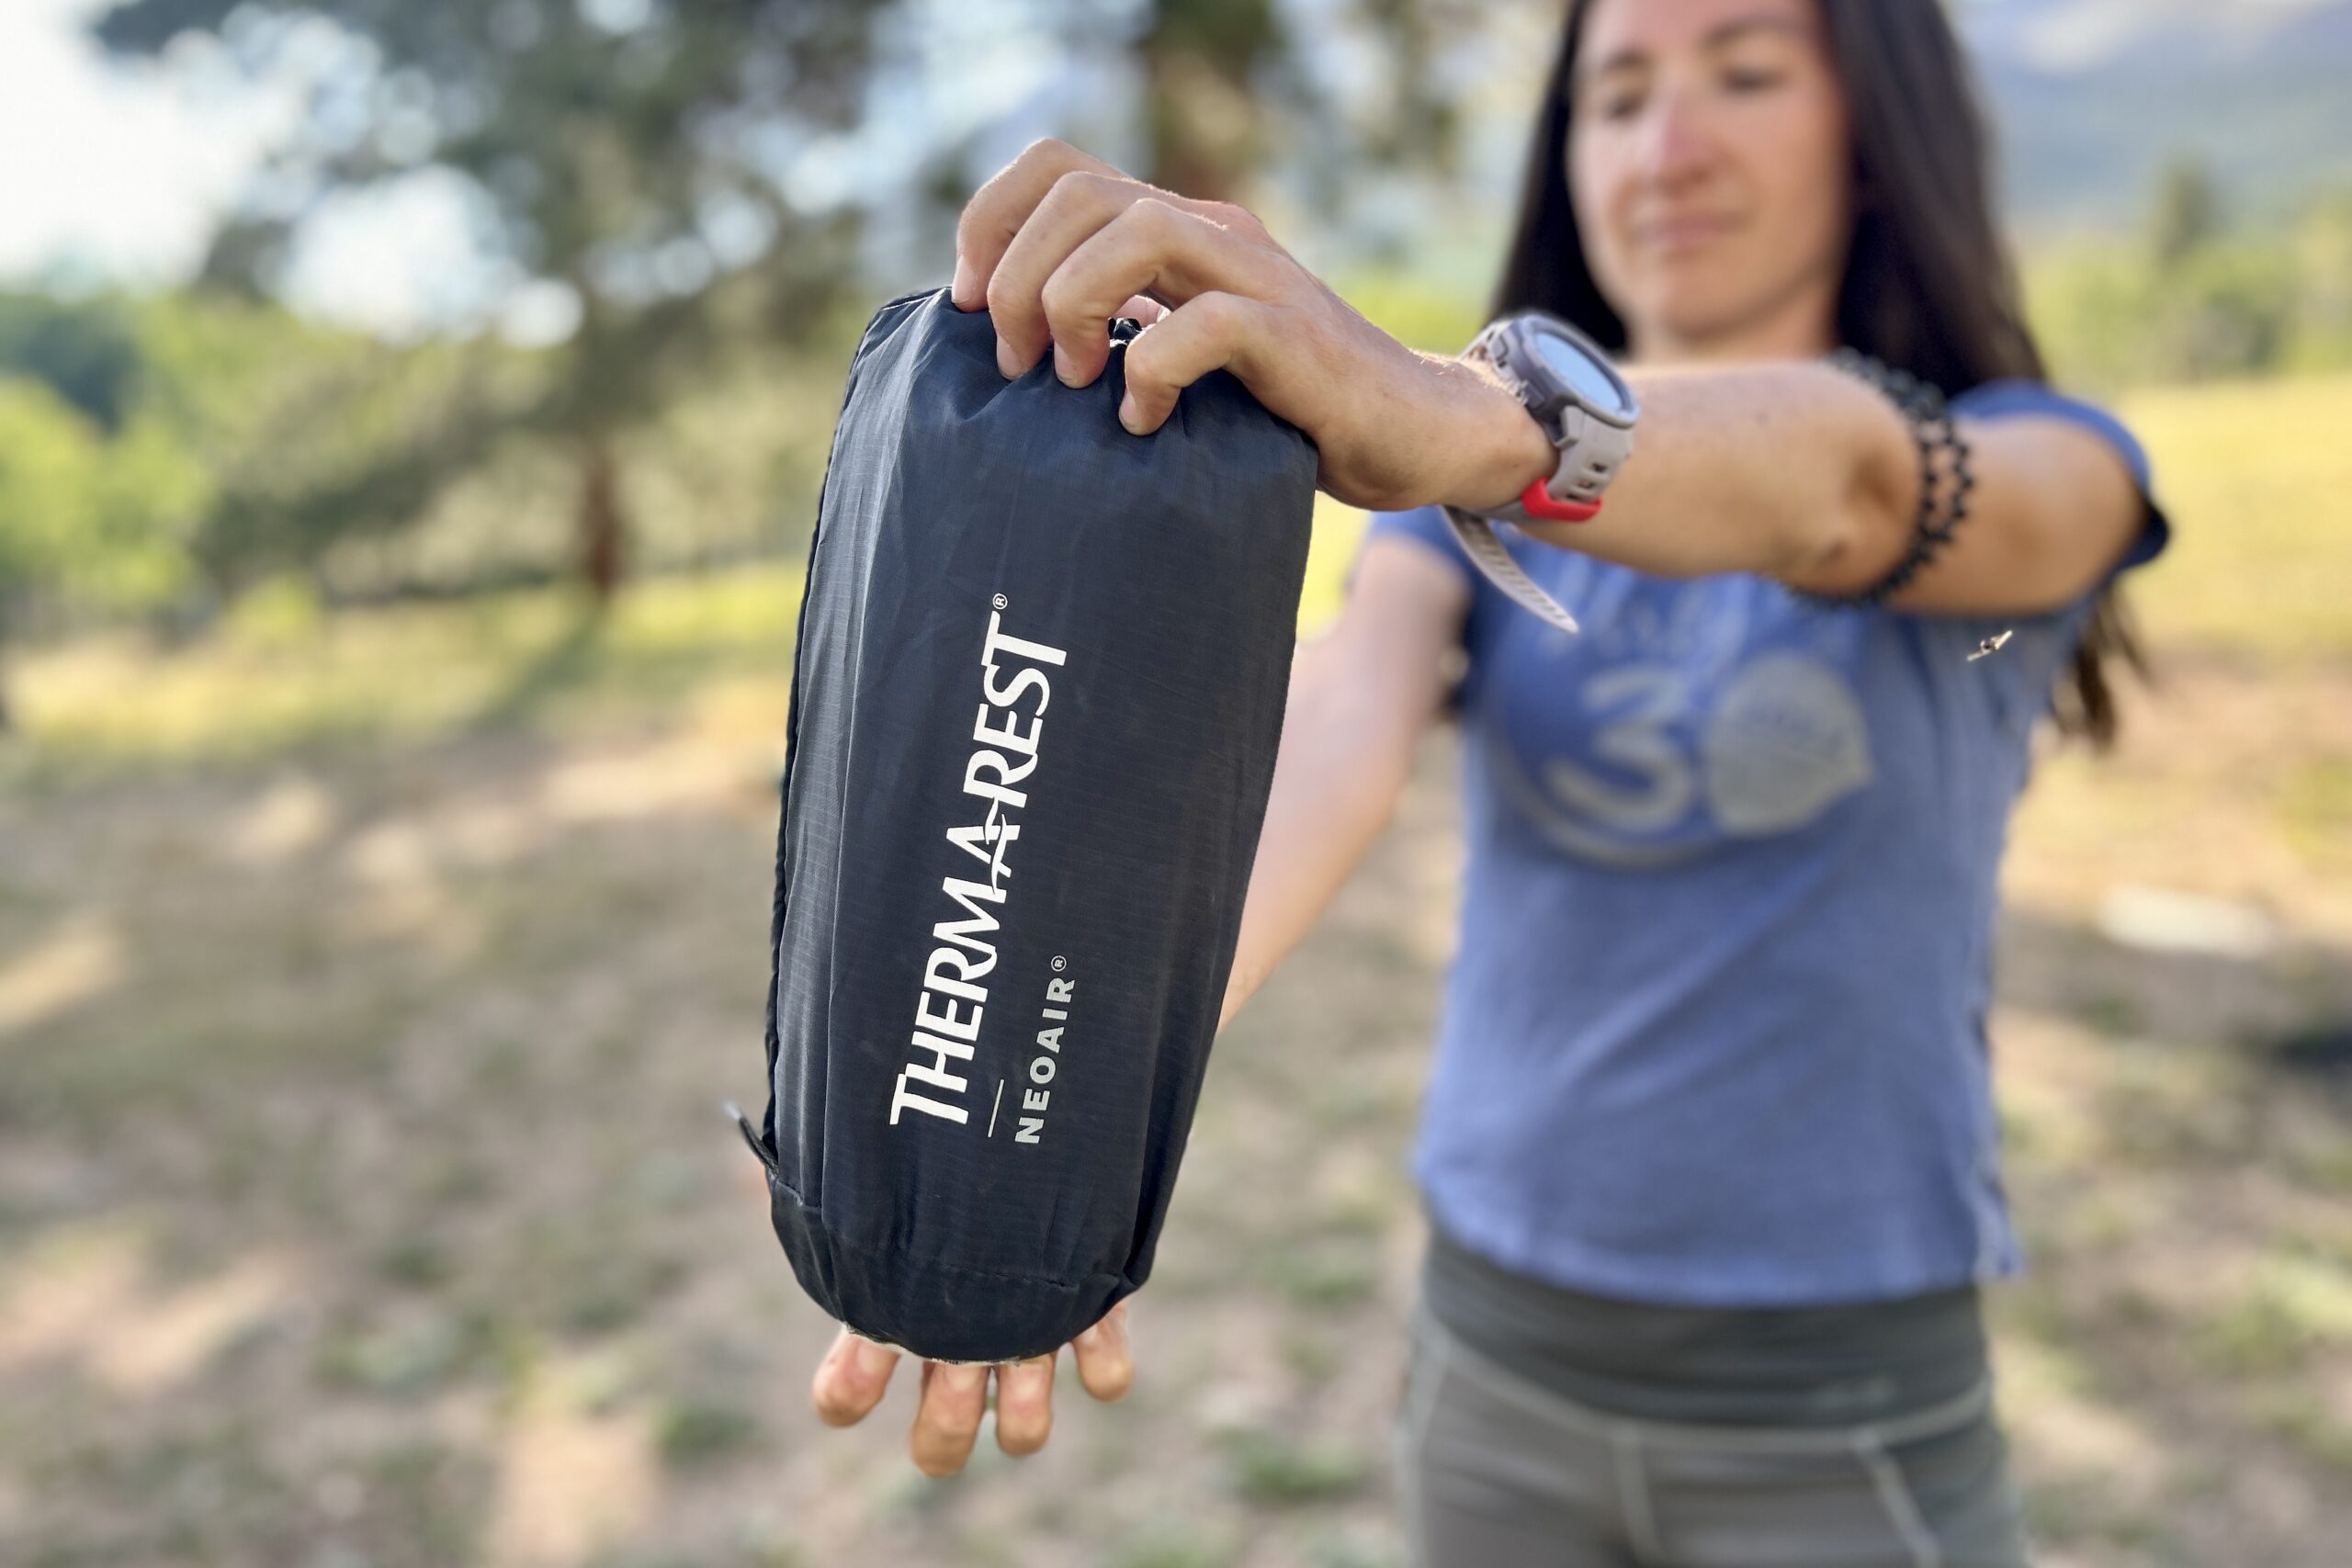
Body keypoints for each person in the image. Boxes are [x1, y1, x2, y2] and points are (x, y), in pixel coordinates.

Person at [807, 0, 2170, 1560]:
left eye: (1742, 71)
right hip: (1494, 1364)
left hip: (1845, 1404)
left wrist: (1481, 422)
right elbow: (1329, 743)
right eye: (1618, 93)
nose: (1668, 144)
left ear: (1876, 139)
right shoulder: (1464, 513)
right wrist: (1026, 1117)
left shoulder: (2045, 462)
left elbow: (1848, 483)